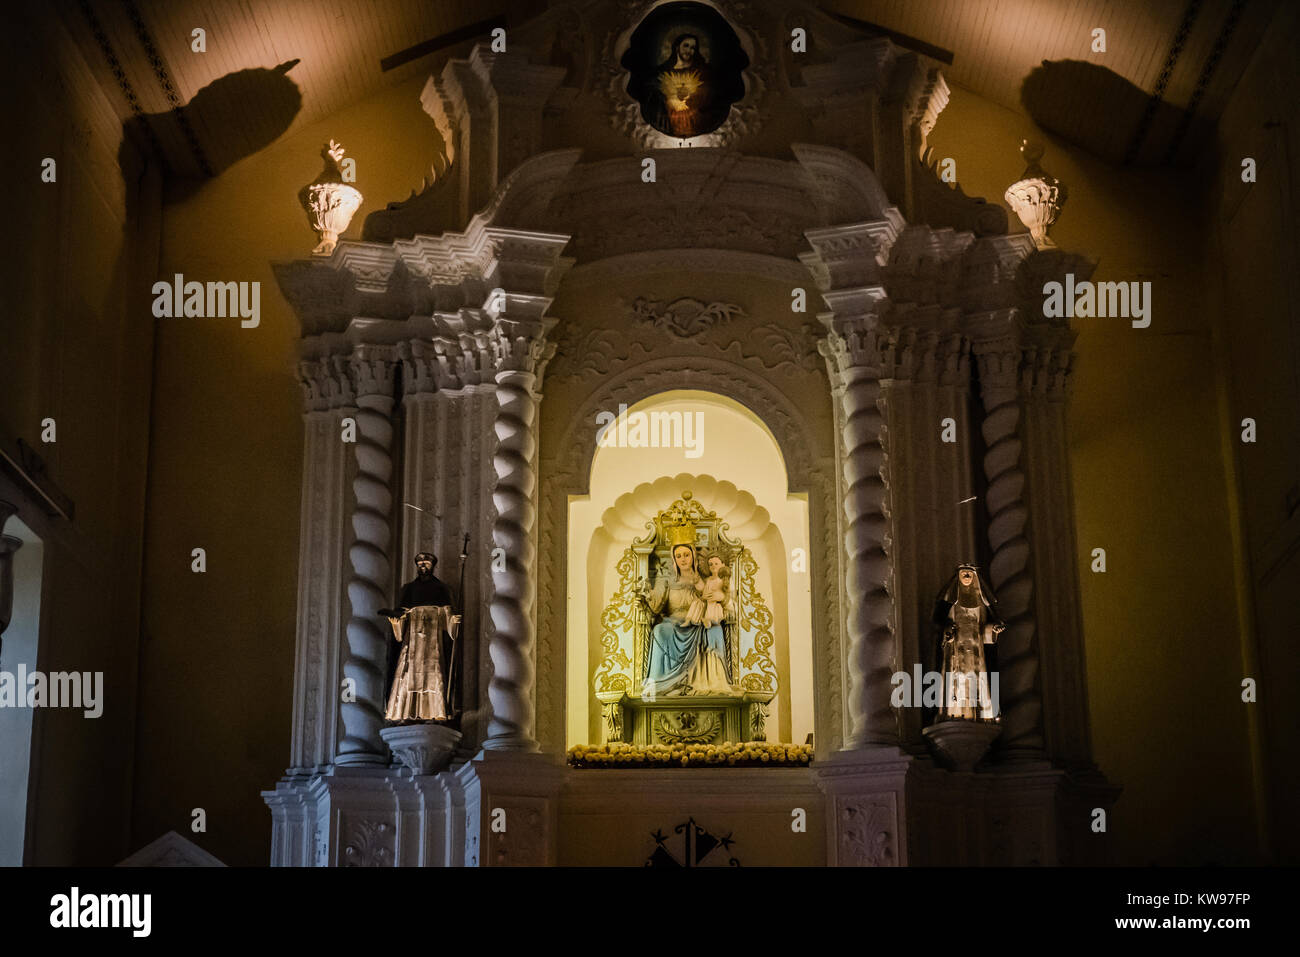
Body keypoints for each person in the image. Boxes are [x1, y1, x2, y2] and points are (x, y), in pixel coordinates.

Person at [638, 542, 733, 698]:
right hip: (673, 623)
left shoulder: (703, 579)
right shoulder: (666, 579)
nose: (683, 559)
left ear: (693, 556)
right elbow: (655, 607)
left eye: (686, 555)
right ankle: (663, 685)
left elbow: (723, 597)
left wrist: (720, 597)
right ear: (674, 559)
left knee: (714, 630)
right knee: (659, 631)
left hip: (698, 623)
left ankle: (708, 682)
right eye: (678, 556)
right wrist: (645, 596)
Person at [381, 552, 461, 722]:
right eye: (420, 564)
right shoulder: (408, 589)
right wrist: (396, 623)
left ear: (433, 566)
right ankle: (404, 713)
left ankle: (435, 712)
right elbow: (399, 628)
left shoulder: (442, 589)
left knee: (433, 675)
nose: (423, 566)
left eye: (426, 563)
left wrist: (453, 620)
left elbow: (450, 625)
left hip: (432, 643)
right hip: (412, 643)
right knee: (407, 675)